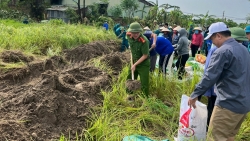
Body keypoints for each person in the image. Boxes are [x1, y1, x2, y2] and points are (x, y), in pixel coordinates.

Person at [188, 22, 250, 141]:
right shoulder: (243, 49)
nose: (212, 42)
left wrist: (195, 93)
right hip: (243, 104)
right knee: (229, 137)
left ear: (218, 36)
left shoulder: (222, 51)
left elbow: (209, 77)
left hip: (228, 105)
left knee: (214, 137)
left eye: (212, 38)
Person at [126, 22, 150, 97]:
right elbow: (129, 41)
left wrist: (135, 65)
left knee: (144, 82)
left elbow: (145, 55)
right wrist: (130, 47)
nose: (135, 34)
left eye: (137, 32)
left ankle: (144, 99)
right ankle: (129, 96)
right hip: (134, 60)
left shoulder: (144, 41)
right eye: (133, 33)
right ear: (130, 32)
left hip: (143, 63)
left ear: (140, 31)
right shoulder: (128, 35)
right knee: (130, 78)